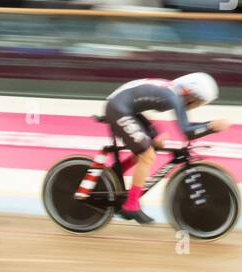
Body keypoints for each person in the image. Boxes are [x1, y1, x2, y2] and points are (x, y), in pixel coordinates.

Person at [82, 73, 230, 225]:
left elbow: (187, 128)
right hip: (119, 108)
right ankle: (130, 205)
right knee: (147, 154)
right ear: (188, 91)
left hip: (126, 107)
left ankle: (114, 172)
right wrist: (212, 126)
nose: (196, 105)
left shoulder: (174, 92)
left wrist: (208, 126)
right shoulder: (172, 96)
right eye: (198, 101)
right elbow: (187, 131)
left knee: (153, 145)